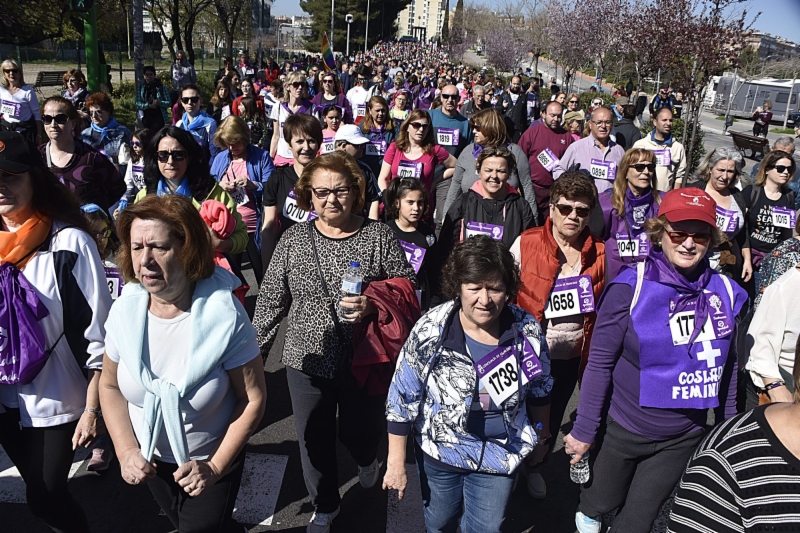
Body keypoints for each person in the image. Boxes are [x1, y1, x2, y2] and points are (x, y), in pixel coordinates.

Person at [565, 187, 747, 533]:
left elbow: (730, 369)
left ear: (712, 239)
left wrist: (727, 433)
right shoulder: (629, 288)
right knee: (598, 503)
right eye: (678, 233)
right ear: (659, 232)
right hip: (623, 428)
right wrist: (585, 429)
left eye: (700, 235)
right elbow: (600, 363)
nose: (688, 243)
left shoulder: (725, 291)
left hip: (683, 436)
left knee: (637, 522)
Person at [253, 151, 417, 533]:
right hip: (306, 359)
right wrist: (252, 358)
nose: (332, 199)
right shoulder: (293, 240)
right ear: (308, 195)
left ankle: (365, 458)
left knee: (362, 432)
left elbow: (408, 286)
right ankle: (325, 504)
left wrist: (373, 303)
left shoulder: (378, 236)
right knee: (313, 439)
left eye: (341, 190)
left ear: (355, 192)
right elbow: (271, 301)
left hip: (365, 357)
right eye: (322, 192)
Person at [100, 194, 266, 533]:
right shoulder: (124, 311)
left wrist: (216, 468)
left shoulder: (224, 316)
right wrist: (126, 450)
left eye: (159, 247)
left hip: (210, 458)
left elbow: (253, 399)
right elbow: (109, 384)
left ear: (186, 247)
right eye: (136, 247)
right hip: (152, 461)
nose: (144, 260)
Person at [383, 235, 553, 533]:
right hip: (442, 452)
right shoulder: (431, 329)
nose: (484, 300)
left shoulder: (527, 330)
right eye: (474, 288)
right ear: (458, 288)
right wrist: (396, 463)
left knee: (486, 528)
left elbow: (540, 389)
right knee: (439, 522)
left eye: (495, 289)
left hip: (502, 452)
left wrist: (541, 436)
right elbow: (402, 397)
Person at [0, 131, 113, 533]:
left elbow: (100, 332)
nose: (1, 186)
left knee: (45, 495)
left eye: (10, 175)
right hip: (5, 400)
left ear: (35, 177)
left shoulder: (69, 243)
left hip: (56, 400)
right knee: (38, 492)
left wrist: (94, 407)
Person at [512, 172, 605, 499]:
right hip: (526, 354)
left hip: (568, 359)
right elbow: (503, 296)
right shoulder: (526, 242)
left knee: (546, 423)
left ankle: (534, 466)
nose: (573, 217)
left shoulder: (601, 255)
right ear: (551, 208)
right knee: (514, 416)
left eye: (581, 211)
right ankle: (504, 472)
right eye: (565, 209)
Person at [669, 340, 800, 532]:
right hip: (632, 423)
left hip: (690, 431)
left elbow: (728, 362)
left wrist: (727, 417)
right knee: (611, 504)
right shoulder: (723, 463)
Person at [135, 126, 248, 256]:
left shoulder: (212, 193)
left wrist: (218, 245)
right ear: (155, 158)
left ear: (189, 158)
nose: (170, 161)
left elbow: (242, 236)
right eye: (163, 155)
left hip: (202, 273)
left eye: (178, 155)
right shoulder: (144, 197)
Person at [439, 147, 536, 260]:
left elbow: (530, 250)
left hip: (506, 275)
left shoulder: (521, 207)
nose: (494, 176)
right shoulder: (463, 203)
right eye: (488, 170)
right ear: (478, 171)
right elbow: (444, 249)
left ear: (509, 173)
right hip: (469, 275)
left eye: (501, 171)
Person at [210, 116, 275, 285]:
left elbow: (273, 187)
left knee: (264, 276)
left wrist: (254, 185)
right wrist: (220, 186)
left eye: (235, 142)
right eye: (227, 143)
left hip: (255, 227)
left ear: (244, 137)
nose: (232, 147)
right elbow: (207, 188)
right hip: (228, 229)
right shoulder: (220, 159)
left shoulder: (262, 156)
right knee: (230, 278)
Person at [443, 108, 537, 217]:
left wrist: (532, 222)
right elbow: (455, 187)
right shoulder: (467, 152)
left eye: (478, 128)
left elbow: (527, 189)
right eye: (473, 127)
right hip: (470, 218)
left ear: (490, 128)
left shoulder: (515, 153)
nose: (474, 131)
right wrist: (446, 217)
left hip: (505, 218)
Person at [40, 96, 126, 212]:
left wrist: (96, 213)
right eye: (47, 119)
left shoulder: (92, 158)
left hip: (86, 228)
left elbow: (117, 188)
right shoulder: (36, 157)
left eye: (61, 118)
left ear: (73, 123)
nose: (53, 124)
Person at [589, 148, 663, 281]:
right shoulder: (606, 203)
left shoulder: (662, 202)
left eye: (650, 167)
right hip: (615, 274)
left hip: (651, 275)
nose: (646, 172)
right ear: (625, 172)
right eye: (639, 167)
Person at [261, 113, 322, 268]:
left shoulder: (330, 178)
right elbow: (269, 229)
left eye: (311, 141)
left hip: (323, 259)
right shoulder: (277, 180)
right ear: (289, 144)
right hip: (290, 260)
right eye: (299, 141)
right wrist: (267, 271)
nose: (306, 148)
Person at [686, 148, 752, 284]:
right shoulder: (694, 191)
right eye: (721, 170)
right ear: (710, 168)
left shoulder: (737, 196)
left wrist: (747, 260)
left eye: (730, 171)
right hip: (694, 262)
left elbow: (743, 233)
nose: (725, 176)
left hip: (725, 265)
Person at [743, 150, 797, 291]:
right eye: (780, 168)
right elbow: (743, 230)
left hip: (772, 260)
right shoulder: (751, 192)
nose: (785, 172)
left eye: (789, 169)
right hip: (749, 257)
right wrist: (747, 259)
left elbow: (786, 232)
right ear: (767, 169)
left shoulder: (789, 196)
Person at [377, 109, 457, 205]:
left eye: (425, 126)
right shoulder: (395, 147)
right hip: (396, 205)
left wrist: (435, 181)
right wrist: (387, 196)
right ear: (407, 126)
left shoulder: (434, 150)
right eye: (416, 125)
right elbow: (382, 178)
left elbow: (457, 166)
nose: (421, 129)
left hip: (421, 207)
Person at [384, 177, 438, 310]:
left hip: (419, 301)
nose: (416, 208)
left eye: (420, 203)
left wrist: (434, 304)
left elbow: (434, 272)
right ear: (397, 203)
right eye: (410, 202)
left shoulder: (427, 234)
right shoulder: (385, 231)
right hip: (390, 299)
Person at [518, 101, 574, 223]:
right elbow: (519, 158)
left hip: (555, 190)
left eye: (559, 116)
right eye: (552, 115)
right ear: (544, 114)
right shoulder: (532, 133)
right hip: (532, 188)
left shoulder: (567, 137)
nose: (556, 119)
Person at [555, 106, 625, 195]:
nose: (603, 126)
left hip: (610, 205)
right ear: (590, 125)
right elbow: (558, 171)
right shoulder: (576, 147)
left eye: (607, 122)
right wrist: (571, 181)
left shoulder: (619, 150)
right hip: (584, 204)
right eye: (599, 122)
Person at [430, 85, 473, 224]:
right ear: (441, 97)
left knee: (442, 217)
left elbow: (468, 153)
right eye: (446, 96)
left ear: (459, 99)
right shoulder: (429, 116)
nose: (450, 100)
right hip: (426, 172)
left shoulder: (465, 124)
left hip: (448, 176)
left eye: (454, 97)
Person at [333, 124, 381, 219]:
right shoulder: (324, 168)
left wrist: (373, 227)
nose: (363, 147)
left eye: (363, 144)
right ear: (343, 146)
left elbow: (373, 199)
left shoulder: (365, 169)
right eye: (358, 145)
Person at [632, 107, 687, 191]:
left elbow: (680, 176)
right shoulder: (640, 145)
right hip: (642, 196)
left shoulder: (677, 147)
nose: (668, 123)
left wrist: (674, 197)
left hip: (664, 197)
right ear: (655, 122)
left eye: (670, 120)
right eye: (664, 120)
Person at [81, 92, 133, 178]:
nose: (94, 116)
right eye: (91, 113)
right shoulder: (85, 134)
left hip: (116, 178)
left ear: (108, 112)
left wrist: (119, 169)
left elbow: (133, 160)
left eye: (98, 112)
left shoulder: (123, 132)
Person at [269, 71, 314, 166]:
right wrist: (271, 157)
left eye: (302, 84)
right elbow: (276, 135)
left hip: (303, 156)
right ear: (287, 87)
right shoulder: (278, 107)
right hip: (282, 157)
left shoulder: (311, 108)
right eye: (296, 84)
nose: (300, 87)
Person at [0, 59, 41, 146]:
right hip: (6, 132)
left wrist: (39, 135)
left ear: (19, 72)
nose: (11, 73)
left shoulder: (28, 92)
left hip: (25, 133)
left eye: (14, 70)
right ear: (4, 73)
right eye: (7, 71)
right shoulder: (1, 90)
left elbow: (37, 115)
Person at [176, 84, 220, 165]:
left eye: (194, 99)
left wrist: (206, 174)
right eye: (185, 100)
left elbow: (215, 155)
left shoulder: (211, 124)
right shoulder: (179, 125)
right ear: (181, 102)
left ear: (201, 101)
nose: (189, 103)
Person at [360, 96, 396, 178]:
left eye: (383, 110)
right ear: (369, 110)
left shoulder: (394, 127)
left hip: (386, 172)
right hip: (367, 171)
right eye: (377, 110)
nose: (380, 113)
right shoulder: (362, 127)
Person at [119, 128, 152, 211]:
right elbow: (128, 183)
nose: (134, 146)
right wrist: (124, 198)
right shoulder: (133, 161)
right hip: (138, 197)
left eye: (137, 143)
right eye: (132, 143)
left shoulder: (154, 161)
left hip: (151, 198)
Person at [135, 66, 171, 131]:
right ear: (144, 76)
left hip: (159, 117)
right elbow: (137, 103)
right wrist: (148, 105)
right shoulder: (141, 88)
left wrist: (159, 103)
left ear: (154, 75)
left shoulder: (161, 87)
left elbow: (169, 102)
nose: (149, 76)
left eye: (151, 74)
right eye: (147, 74)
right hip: (145, 116)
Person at [496, 76, 529, 143]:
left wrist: (524, 129)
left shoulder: (523, 96)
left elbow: (524, 113)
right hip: (505, 126)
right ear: (510, 83)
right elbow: (496, 109)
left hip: (517, 128)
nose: (516, 86)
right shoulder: (504, 95)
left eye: (517, 84)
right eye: (514, 84)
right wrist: (502, 106)